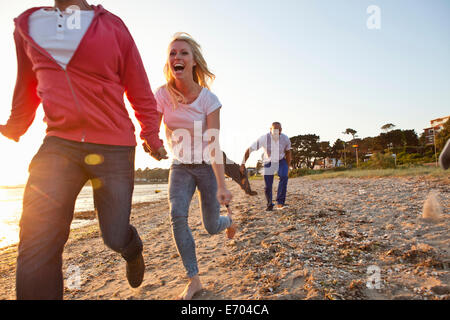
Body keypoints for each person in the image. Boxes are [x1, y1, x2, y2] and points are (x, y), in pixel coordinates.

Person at [0, 0, 167, 300]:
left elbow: (138, 86)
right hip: (58, 145)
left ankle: (131, 247)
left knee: (114, 236)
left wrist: (152, 138)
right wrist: (13, 127)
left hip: (113, 146)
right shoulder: (27, 25)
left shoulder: (113, 26)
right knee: (37, 240)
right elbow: (27, 85)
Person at [154, 32, 237, 300]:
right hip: (179, 167)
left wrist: (222, 185)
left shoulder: (208, 100)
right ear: (169, 62)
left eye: (183, 53)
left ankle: (229, 221)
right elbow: (150, 130)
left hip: (205, 166)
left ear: (193, 62)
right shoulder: (162, 95)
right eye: (172, 53)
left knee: (210, 226)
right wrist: (151, 145)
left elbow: (214, 144)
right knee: (177, 215)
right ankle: (194, 280)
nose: (177, 57)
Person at [241, 122, 292, 211]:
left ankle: (280, 203)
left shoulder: (285, 139)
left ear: (281, 130)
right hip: (268, 161)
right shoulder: (264, 138)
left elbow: (288, 153)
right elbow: (249, 150)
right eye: (275, 130)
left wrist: (287, 167)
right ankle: (269, 204)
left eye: (279, 130)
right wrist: (242, 164)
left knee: (284, 176)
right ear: (270, 130)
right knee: (268, 185)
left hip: (281, 160)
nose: (277, 132)